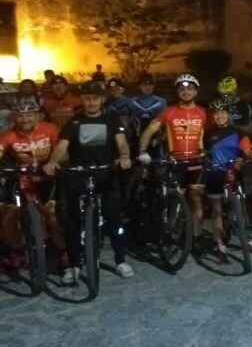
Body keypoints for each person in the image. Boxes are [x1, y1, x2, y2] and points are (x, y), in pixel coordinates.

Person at [43, 81, 134, 283]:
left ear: (102, 100)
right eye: (86, 98)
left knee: (115, 219)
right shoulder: (74, 122)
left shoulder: (112, 119)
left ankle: (120, 260)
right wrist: (52, 161)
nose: (91, 102)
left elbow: (121, 142)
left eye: (95, 98)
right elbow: (62, 146)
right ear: (81, 100)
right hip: (79, 174)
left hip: (106, 173)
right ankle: (74, 265)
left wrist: (125, 156)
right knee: (73, 223)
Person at [137, 74, 208, 247]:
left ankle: (197, 237)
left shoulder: (203, 113)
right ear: (177, 92)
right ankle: (172, 231)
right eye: (182, 89)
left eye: (190, 88)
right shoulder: (168, 112)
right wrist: (142, 151)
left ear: (196, 91)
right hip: (175, 162)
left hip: (196, 162)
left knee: (196, 200)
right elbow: (148, 131)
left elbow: (217, 133)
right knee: (175, 200)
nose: (185, 92)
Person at [0, 100, 66, 273]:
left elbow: (62, 150)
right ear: (15, 117)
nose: (24, 119)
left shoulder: (50, 129)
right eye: (20, 115)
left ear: (37, 115)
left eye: (29, 114)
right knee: (11, 214)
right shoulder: (8, 135)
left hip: (48, 178)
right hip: (23, 181)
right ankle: (16, 251)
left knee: (53, 214)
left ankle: (63, 250)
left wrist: (57, 162)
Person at [204, 99, 252, 262]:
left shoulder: (237, 132)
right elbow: (203, 153)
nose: (220, 116)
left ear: (228, 115)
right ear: (212, 116)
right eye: (216, 113)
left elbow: (247, 149)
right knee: (216, 210)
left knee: (239, 208)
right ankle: (219, 242)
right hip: (215, 174)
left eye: (223, 113)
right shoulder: (207, 134)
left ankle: (247, 236)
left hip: (234, 173)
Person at [129, 73, 167, 148]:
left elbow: (166, 123)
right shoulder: (131, 102)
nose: (147, 87)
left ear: (154, 86)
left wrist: (161, 138)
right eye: (144, 85)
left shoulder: (161, 101)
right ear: (139, 87)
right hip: (135, 139)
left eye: (150, 85)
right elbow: (127, 121)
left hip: (155, 140)